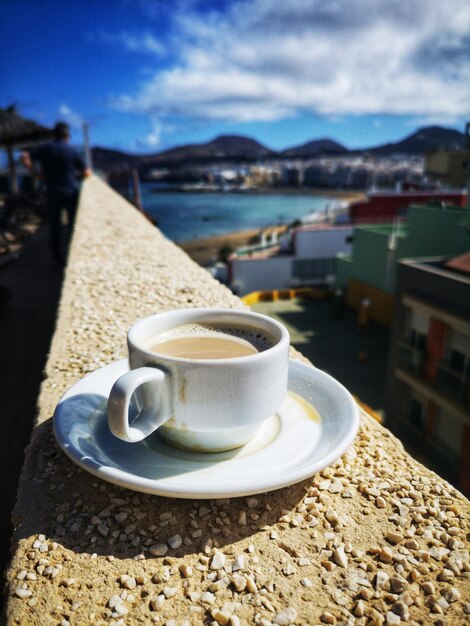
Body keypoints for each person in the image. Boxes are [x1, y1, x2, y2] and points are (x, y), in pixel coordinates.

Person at [22, 122, 91, 265]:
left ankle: (57, 258)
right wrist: (76, 178)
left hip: (52, 192)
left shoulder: (46, 148)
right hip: (71, 192)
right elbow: (87, 172)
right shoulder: (72, 151)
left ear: (55, 135)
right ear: (68, 136)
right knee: (73, 226)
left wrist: (35, 173)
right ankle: (72, 255)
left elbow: (24, 156)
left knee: (55, 226)